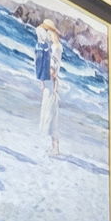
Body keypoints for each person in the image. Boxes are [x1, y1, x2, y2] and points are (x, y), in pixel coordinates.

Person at [33, 19, 66, 157]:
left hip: (51, 86)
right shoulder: (55, 46)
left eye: (48, 31)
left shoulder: (55, 47)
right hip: (51, 85)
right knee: (51, 116)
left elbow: (53, 68)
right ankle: (54, 147)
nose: (47, 34)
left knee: (51, 117)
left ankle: (55, 148)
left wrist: (44, 73)